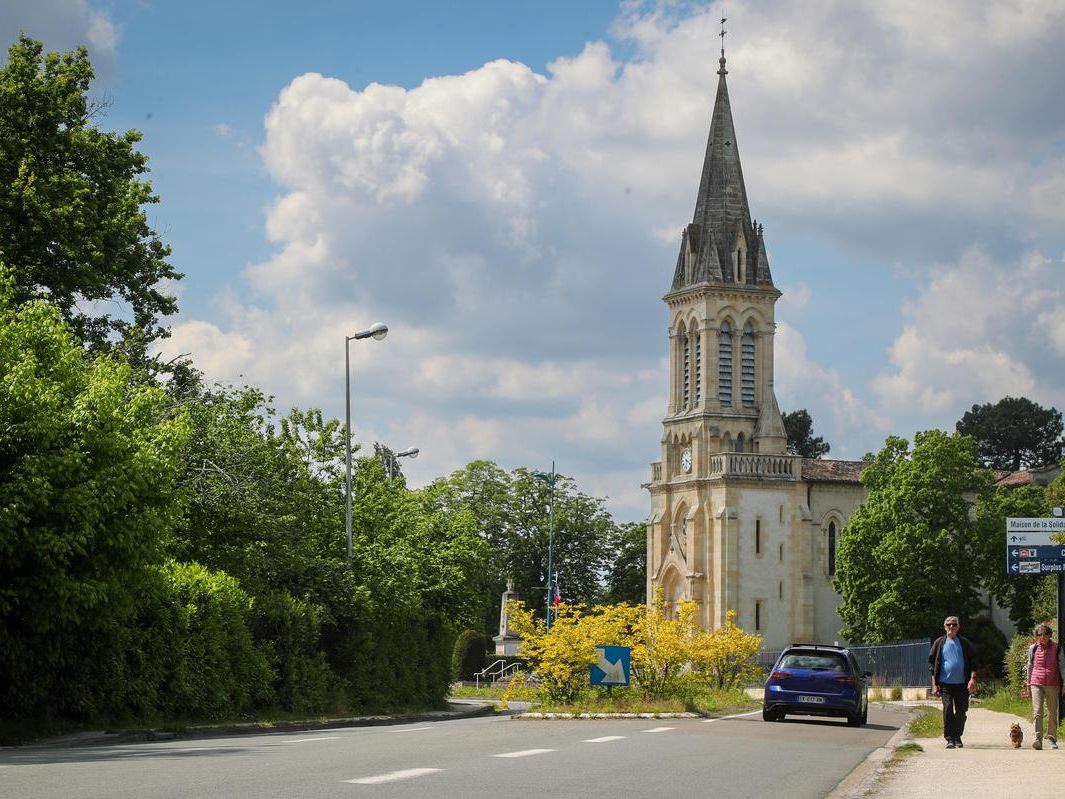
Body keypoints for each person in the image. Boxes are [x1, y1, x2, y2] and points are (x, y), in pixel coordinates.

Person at [928, 615, 977, 749]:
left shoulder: (964, 643)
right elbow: (932, 663)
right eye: (948, 624)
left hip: (962, 684)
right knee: (948, 709)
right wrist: (934, 684)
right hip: (945, 684)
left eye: (954, 624)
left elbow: (973, 660)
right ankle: (950, 738)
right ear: (944, 627)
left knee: (961, 711)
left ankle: (957, 736)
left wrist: (973, 678)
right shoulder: (939, 643)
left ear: (958, 627)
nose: (951, 627)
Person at [1023, 623, 1065, 750]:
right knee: (1037, 712)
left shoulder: (1057, 648)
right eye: (1039, 634)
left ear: (1049, 634)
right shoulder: (1033, 648)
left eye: (1045, 634)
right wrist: (1028, 683)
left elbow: (1062, 666)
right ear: (1036, 636)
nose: (1042, 637)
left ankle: (1051, 738)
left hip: (1053, 683)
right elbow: (1030, 666)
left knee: (1052, 712)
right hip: (1036, 682)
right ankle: (1038, 739)